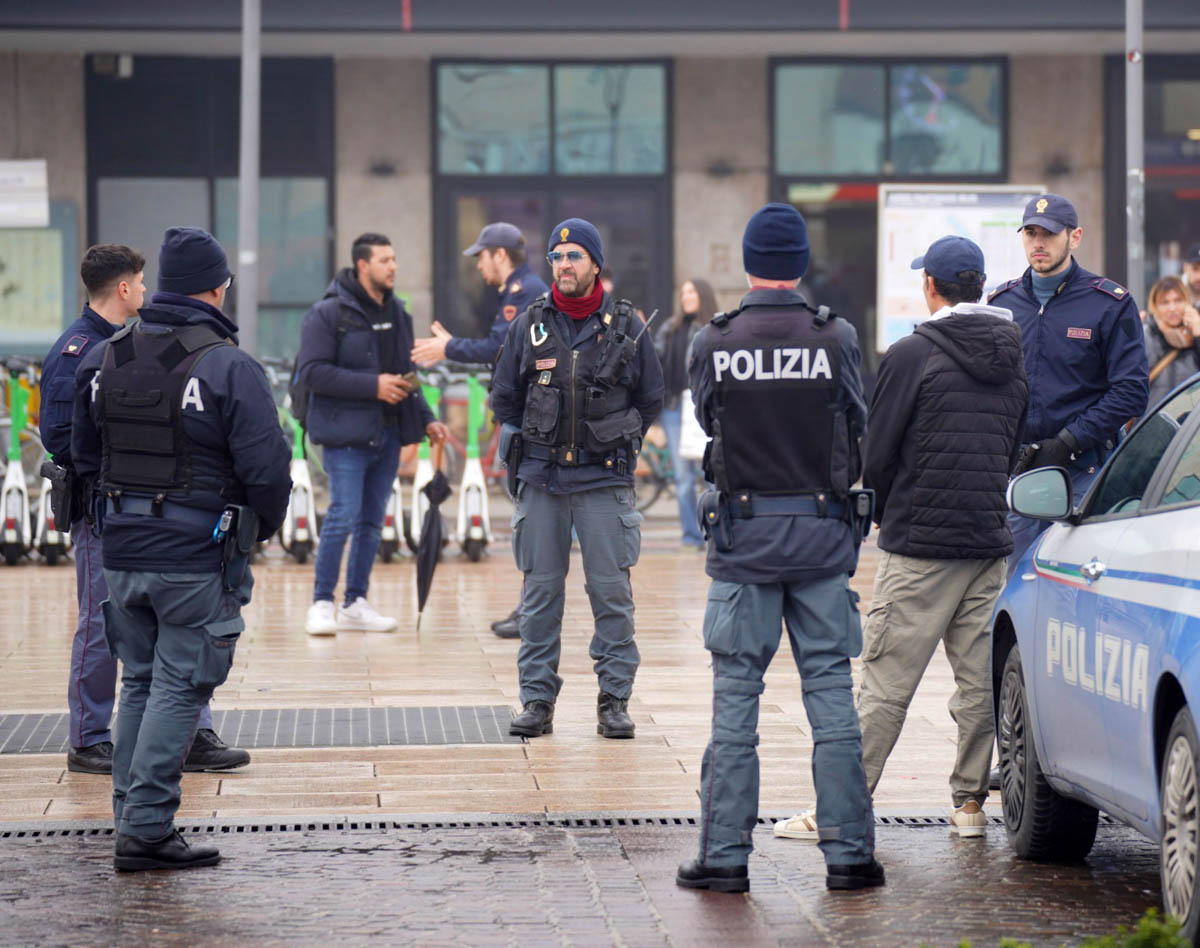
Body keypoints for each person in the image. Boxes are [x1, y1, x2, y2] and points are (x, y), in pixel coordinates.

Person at [675, 203, 882, 894]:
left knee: (736, 700)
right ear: (801, 264)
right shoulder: (836, 336)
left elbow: (708, 418)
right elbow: (857, 422)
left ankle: (724, 857)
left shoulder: (713, 339)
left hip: (743, 542)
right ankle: (849, 855)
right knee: (831, 696)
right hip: (822, 540)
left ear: (747, 264)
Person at [70, 227, 291, 870]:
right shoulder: (228, 365)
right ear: (217, 288)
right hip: (194, 556)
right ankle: (145, 830)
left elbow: (84, 455)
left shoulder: (103, 356)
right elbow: (268, 470)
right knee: (179, 686)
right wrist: (257, 530)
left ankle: (129, 820)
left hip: (121, 551)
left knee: (139, 684)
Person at [40, 243, 250, 776]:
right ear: (124, 288)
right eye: (139, 281)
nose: (146, 289)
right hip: (103, 510)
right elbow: (63, 439)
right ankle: (89, 737)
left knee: (178, 626)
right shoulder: (79, 350)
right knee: (102, 624)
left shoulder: (140, 343)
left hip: (154, 509)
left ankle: (193, 734)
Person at [854, 236, 1027, 837]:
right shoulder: (1011, 353)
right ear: (979, 286)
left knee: (885, 679)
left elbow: (877, 452)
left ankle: (846, 804)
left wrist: (882, 509)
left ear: (931, 285)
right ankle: (970, 806)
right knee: (978, 682)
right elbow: (1012, 444)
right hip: (987, 540)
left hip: (920, 542)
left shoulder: (911, 353)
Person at [490, 218, 664, 739]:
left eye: (574, 256)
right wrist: (532, 440)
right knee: (540, 598)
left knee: (611, 595)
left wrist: (617, 435)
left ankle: (614, 700)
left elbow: (651, 397)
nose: (563, 265)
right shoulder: (530, 323)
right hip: (542, 479)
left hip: (603, 481)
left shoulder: (627, 325)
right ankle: (536, 700)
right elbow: (505, 397)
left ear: (595, 263)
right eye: (556, 257)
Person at [297, 233, 449, 636]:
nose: (393, 266)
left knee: (371, 522)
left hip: (389, 433)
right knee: (343, 515)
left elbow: (406, 374)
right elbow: (312, 372)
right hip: (345, 437)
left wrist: (427, 418)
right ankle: (322, 603)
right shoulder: (328, 313)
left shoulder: (397, 312)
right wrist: (373, 386)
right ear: (363, 265)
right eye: (384, 260)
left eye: (394, 259)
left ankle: (355, 602)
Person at [992, 194, 1148, 575]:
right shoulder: (1001, 304)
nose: (1038, 243)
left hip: (1083, 474)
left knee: (1077, 586)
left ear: (1074, 237)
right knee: (1017, 586)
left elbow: (1131, 391)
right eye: (1030, 233)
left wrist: (1069, 440)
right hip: (1019, 474)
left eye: (1049, 233)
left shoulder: (1110, 304)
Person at [411, 222, 549, 639]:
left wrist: (448, 348)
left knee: (532, 519)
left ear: (500, 255)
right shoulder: (518, 291)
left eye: (481, 256)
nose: (478, 266)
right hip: (524, 416)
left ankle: (533, 612)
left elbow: (498, 347)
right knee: (531, 519)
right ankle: (532, 610)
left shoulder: (522, 293)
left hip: (528, 420)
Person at [654, 278, 716, 550]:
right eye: (683, 292)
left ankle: (714, 532)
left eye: (691, 291)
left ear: (703, 294)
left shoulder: (714, 328)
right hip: (673, 408)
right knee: (682, 478)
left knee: (709, 474)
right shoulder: (670, 328)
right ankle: (691, 535)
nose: (686, 296)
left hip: (702, 407)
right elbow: (655, 360)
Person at [1142, 275, 1200, 407]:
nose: (1172, 308)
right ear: (1155, 306)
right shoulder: (1146, 336)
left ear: (1188, 303)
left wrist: (1198, 333)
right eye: (1165, 302)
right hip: (1154, 416)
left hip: (1191, 418)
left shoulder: (1195, 334)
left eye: (1178, 300)